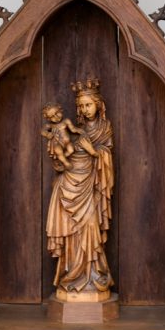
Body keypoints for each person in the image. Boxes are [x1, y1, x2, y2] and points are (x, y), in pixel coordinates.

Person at [45, 79, 114, 299]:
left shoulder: (105, 129)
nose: (85, 109)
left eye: (89, 104)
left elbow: (105, 156)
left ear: (98, 104)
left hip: (90, 186)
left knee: (91, 225)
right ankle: (72, 275)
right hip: (68, 184)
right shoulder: (73, 130)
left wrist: (93, 151)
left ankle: (93, 274)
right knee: (71, 230)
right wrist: (57, 155)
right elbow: (61, 155)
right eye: (81, 106)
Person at [41, 102, 96, 170]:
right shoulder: (50, 125)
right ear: (48, 119)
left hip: (67, 143)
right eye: (52, 116)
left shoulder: (66, 121)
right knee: (59, 151)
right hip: (57, 143)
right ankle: (66, 162)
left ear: (60, 110)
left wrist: (80, 130)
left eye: (57, 113)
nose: (56, 117)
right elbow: (42, 131)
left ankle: (61, 159)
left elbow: (73, 129)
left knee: (71, 150)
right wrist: (47, 134)